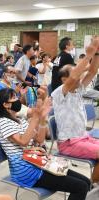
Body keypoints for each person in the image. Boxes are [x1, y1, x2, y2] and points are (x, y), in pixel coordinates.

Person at [0, 88, 90, 200]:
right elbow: (23, 141)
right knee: (81, 187)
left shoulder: (20, 120)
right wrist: (36, 116)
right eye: (14, 98)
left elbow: (40, 139)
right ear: (5, 104)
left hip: (39, 162)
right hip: (26, 171)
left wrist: (43, 118)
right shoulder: (3, 122)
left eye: (16, 96)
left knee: (86, 182)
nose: (18, 100)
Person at [51, 37, 99, 183]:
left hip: (83, 137)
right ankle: (92, 188)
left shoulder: (78, 90)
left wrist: (96, 53)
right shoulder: (60, 93)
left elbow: (92, 72)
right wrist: (89, 54)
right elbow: (74, 75)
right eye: (75, 75)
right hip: (69, 143)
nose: (79, 77)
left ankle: (94, 182)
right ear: (64, 80)